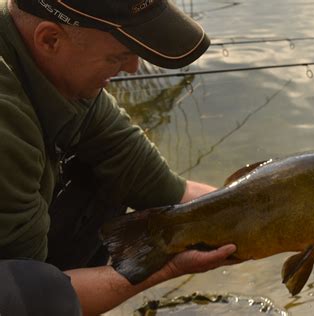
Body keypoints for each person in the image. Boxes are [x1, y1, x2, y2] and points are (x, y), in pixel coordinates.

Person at [0, 0, 239, 315]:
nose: (132, 68)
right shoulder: (6, 120)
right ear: (50, 40)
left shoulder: (57, 74)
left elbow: (157, 184)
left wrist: (268, 220)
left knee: (112, 174)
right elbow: (30, 297)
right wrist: (165, 269)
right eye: (119, 55)